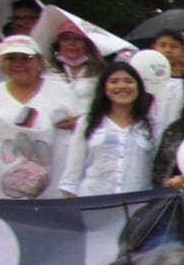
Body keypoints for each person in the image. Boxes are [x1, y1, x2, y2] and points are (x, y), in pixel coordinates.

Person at [0, 36, 81, 199]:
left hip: (54, 191)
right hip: (1, 195)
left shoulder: (63, 92)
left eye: (26, 58)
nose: (18, 63)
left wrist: (81, 122)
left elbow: (87, 130)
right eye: (10, 58)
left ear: (40, 62)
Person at [58, 61, 156, 197]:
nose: (121, 86)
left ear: (138, 87)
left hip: (138, 207)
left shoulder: (152, 125)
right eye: (114, 81)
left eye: (128, 81)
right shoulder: (87, 122)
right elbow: (71, 178)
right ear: (104, 88)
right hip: (93, 205)